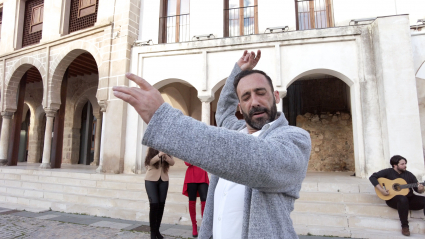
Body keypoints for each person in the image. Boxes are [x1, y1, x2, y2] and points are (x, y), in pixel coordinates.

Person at [113, 50, 311, 238]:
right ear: (240, 107)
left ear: (276, 96)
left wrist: (166, 121)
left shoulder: (294, 138)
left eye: (261, 93)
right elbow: (223, 110)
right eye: (246, 97)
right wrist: (237, 71)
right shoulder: (234, 129)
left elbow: (256, 161)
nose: (255, 102)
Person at [369, 155, 425, 236]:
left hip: (409, 199)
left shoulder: (409, 174)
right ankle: (405, 226)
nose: (405, 165)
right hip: (393, 199)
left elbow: (417, 189)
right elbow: (372, 177)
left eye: (405, 163)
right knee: (402, 199)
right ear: (395, 165)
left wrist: (421, 189)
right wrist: (381, 190)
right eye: (402, 164)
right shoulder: (388, 172)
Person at [144, 147, 175, 239]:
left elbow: (172, 163)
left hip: (164, 180)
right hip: (150, 179)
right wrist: (159, 155)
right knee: (154, 204)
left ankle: (157, 230)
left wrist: (165, 156)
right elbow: (148, 162)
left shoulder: (167, 149)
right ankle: (152, 232)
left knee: (161, 205)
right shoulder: (150, 148)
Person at [183, 162, 209, 237]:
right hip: (191, 175)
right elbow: (187, 163)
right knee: (192, 201)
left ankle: (204, 225)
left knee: (204, 200)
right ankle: (194, 225)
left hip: (202, 173)